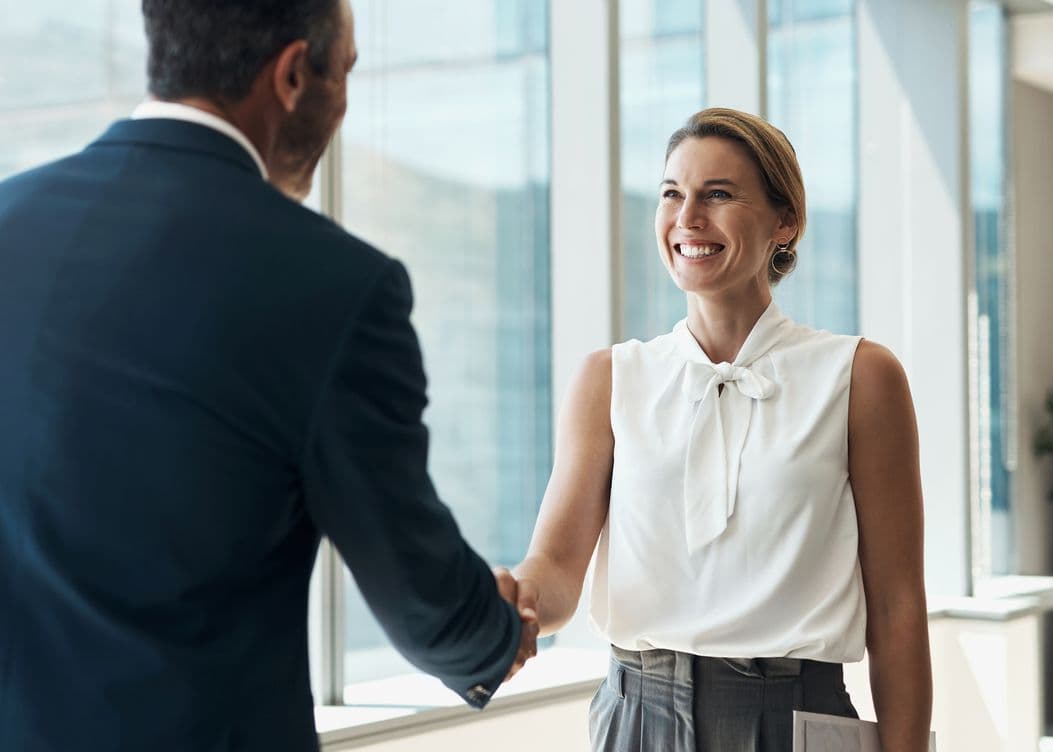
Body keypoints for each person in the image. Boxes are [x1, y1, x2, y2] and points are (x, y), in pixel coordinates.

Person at [0, 1, 536, 750]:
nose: (345, 101)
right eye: (344, 71)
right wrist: (494, 633)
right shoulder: (335, 284)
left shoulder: (9, 218)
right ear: (292, 75)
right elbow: (425, 605)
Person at [503, 108, 932, 751]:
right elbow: (558, 571)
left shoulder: (860, 377)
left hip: (799, 720)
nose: (688, 218)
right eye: (672, 194)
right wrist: (516, 605)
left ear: (785, 221)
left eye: (719, 195)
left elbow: (898, 610)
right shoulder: (610, 379)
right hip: (634, 718)